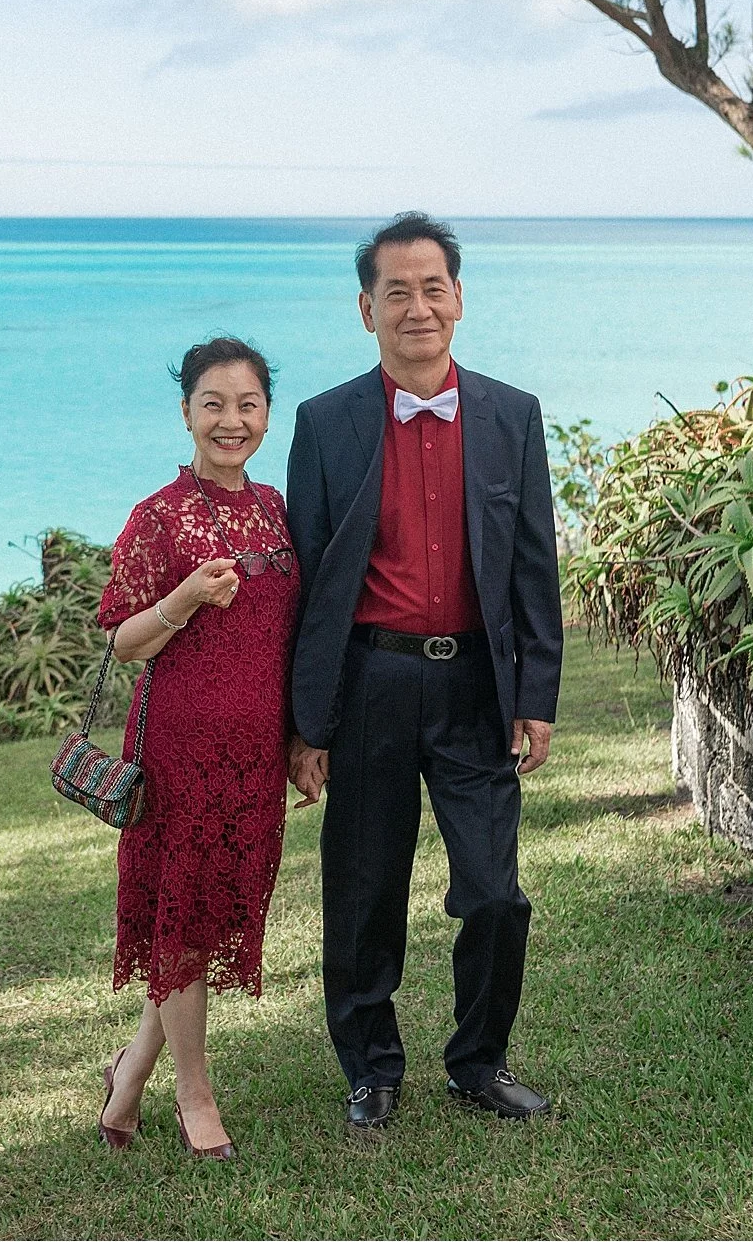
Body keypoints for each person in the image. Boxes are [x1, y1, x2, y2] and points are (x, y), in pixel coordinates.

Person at [283, 211, 563, 1135]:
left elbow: (531, 568)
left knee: (493, 893)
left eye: (431, 287)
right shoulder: (326, 422)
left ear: (459, 300)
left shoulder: (511, 415)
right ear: (366, 310)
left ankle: (478, 1063)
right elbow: (312, 584)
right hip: (369, 683)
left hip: (476, 686)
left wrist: (535, 697)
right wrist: (307, 722)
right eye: (395, 292)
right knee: (363, 890)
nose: (416, 307)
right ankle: (371, 1068)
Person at [92, 336, 297, 1162]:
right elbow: (123, 639)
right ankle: (193, 1091)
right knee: (181, 914)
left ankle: (130, 1067)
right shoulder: (157, 516)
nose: (231, 421)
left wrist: (299, 741)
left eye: (247, 405)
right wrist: (183, 597)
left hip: (256, 756)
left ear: (266, 416)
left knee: (205, 917)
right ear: (185, 413)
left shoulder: (278, 509)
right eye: (212, 404)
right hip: (181, 755)